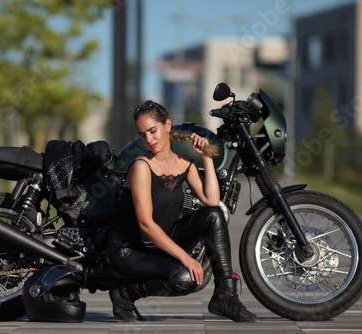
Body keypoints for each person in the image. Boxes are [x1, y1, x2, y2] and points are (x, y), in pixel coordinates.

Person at [106, 100, 256, 323]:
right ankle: (126, 292)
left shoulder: (185, 162)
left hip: (160, 242)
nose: (149, 139)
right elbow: (146, 225)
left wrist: (206, 156)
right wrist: (186, 258)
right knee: (186, 279)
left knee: (213, 215)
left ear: (167, 125)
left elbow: (212, 200)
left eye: (152, 131)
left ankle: (225, 294)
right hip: (130, 249)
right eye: (142, 134)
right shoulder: (141, 167)